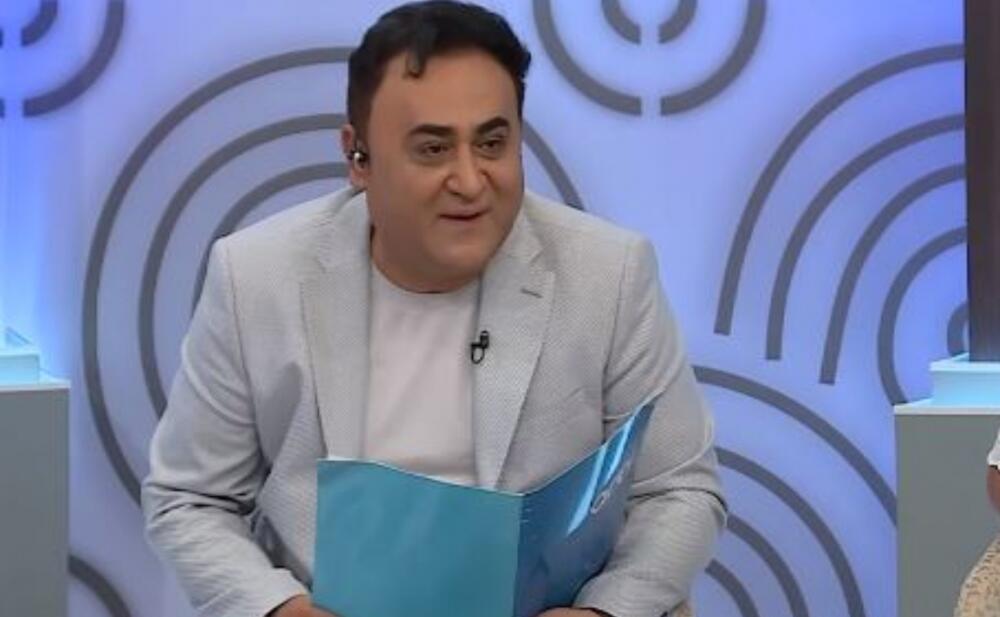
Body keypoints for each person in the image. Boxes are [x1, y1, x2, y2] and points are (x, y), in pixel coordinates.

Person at [142, 2, 726, 617]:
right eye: (433, 149)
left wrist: (605, 613)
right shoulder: (256, 277)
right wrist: (281, 609)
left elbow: (679, 489)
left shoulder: (610, 272)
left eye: (492, 143)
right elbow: (191, 500)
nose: (470, 182)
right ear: (358, 156)